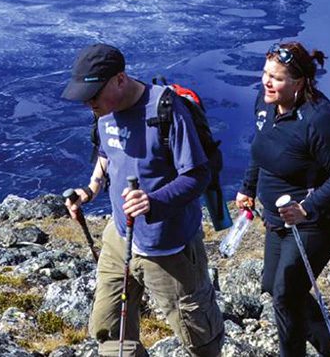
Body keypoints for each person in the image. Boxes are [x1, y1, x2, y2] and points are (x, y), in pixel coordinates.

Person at [60, 43, 225, 357]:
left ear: (120, 79)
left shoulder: (165, 110)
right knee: (108, 329)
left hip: (168, 247)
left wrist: (153, 201)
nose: (88, 103)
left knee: (199, 339)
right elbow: (107, 152)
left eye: (93, 95)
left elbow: (197, 174)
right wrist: (91, 190)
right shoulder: (104, 112)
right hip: (119, 237)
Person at [234, 42, 330, 357]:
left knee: (286, 294)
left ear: (300, 82)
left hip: (315, 220)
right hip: (277, 216)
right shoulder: (266, 104)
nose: (266, 82)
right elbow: (260, 147)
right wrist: (248, 187)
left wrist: (307, 207)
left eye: (276, 78)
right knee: (271, 285)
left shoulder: (322, 120)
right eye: (265, 73)